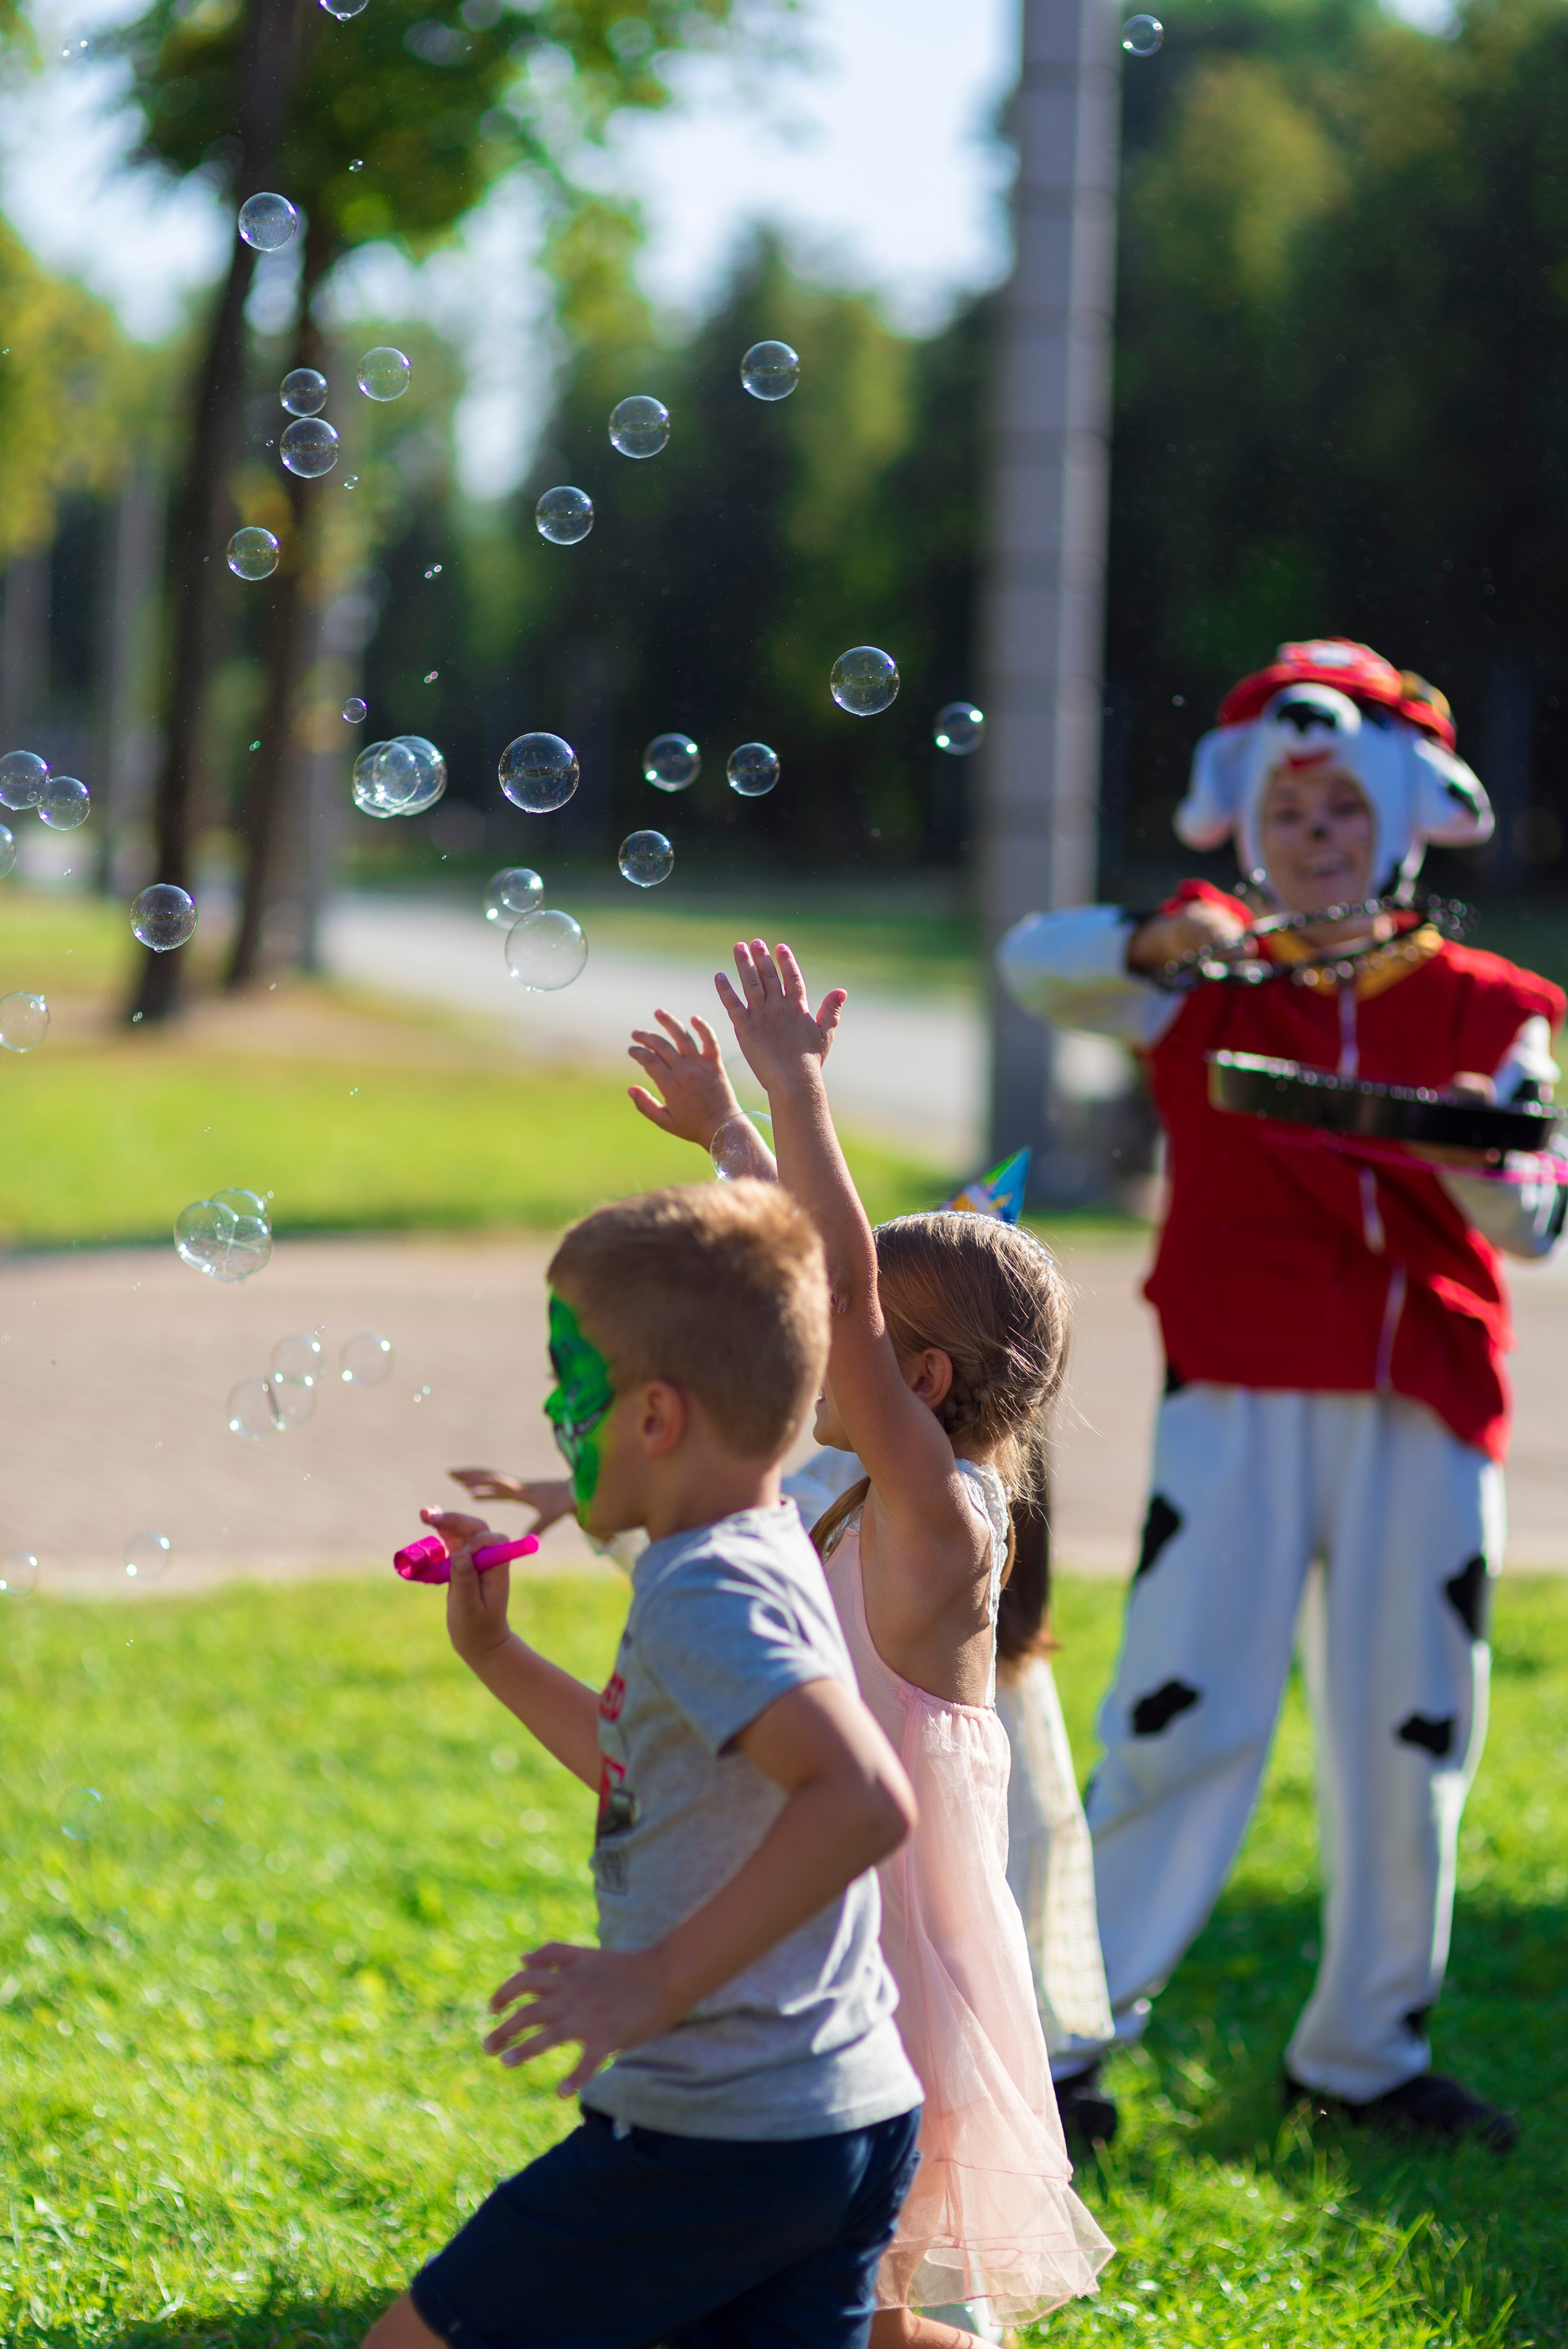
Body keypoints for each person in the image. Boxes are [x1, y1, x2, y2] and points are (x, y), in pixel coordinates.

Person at [997, 636, 1567, 2153]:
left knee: (1409, 1736)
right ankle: (1056, 2046)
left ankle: (1364, 2056)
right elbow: (1030, 964)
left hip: (1424, 1402)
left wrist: (1468, 1140)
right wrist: (1154, 940)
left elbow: (1534, 1214)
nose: (1315, 839)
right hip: (1237, 1394)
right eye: (1287, 817)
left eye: (1339, 814)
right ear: (1245, 829)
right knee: (1181, 1718)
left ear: (1399, 823)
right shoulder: (1200, 980)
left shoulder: (1492, 1003)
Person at [625, 945, 1113, 2346]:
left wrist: (794, 1089)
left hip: (888, 1939)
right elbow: (810, 1277)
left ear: (921, 1380)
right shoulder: (844, 1483)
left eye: (847, 1335)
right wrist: (724, 1131)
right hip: (818, 1897)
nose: (807, 1333)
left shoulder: (941, 1520)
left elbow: (831, 1287)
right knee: (845, 2280)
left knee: (876, 2273)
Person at [363, 1180, 927, 2349]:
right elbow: (650, 1774)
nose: (555, 1409)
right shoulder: (751, 1539)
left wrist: (659, 1978)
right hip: (842, 2118)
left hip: (719, 2125)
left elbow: (865, 1802)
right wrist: (495, 1650)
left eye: (573, 1381)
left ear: (659, 1418)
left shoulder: (703, 1592)